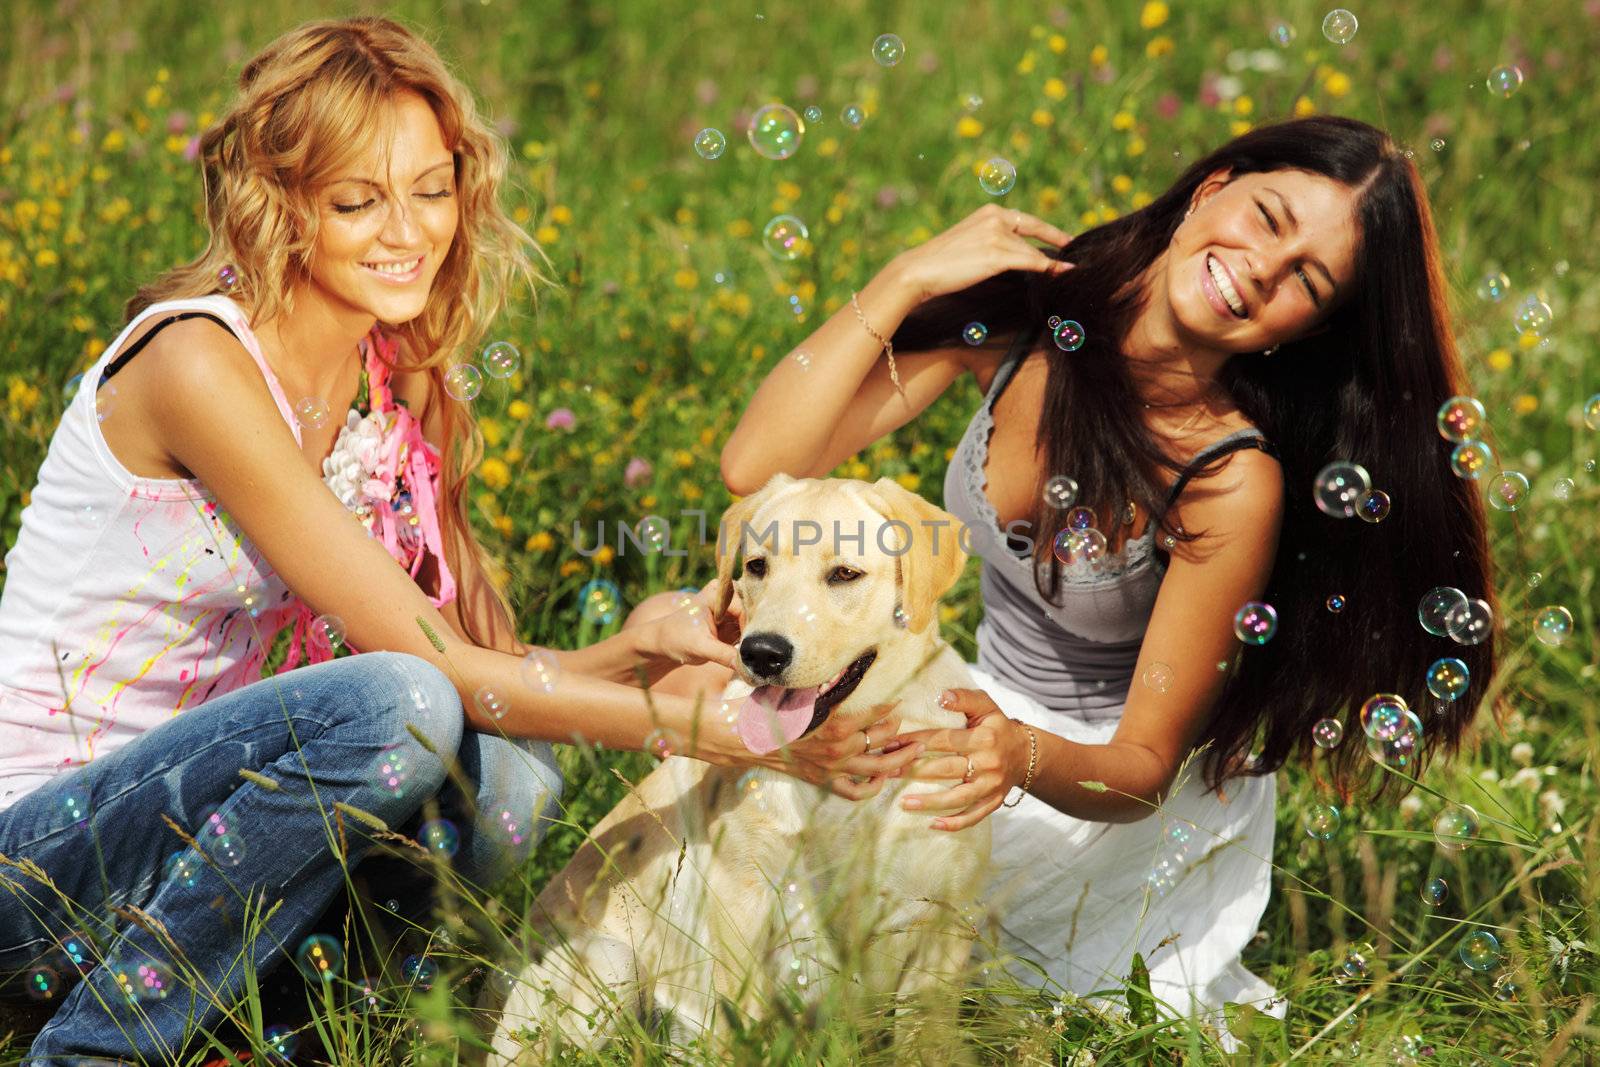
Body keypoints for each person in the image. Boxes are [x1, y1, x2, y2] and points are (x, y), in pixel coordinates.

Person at [0, 16, 916, 1064]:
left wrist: (640, 650)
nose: (408, 231)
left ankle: (271, 1039)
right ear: (280, 204)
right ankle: (95, 1050)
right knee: (399, 707)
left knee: (510, 780)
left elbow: (488, 680)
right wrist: (716, 730)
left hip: (184, 853)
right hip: (35, 855)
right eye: (357, 200)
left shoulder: (388, 377)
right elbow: (433, 674)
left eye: (431, 190)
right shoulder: (198, 362)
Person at [706, 115, 1497, 1042]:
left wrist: (1020, 756)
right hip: (976, 716)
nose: (1260, 270)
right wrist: (909, 275)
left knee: (860, 970)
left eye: (1307, 282)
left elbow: (1144, 768)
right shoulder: (1031, 314)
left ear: (1311, 328)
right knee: (725, 717)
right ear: (1213, 187)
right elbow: (759, 463)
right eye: (1266, 217)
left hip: (1096, 795)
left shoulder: (1228, 479)